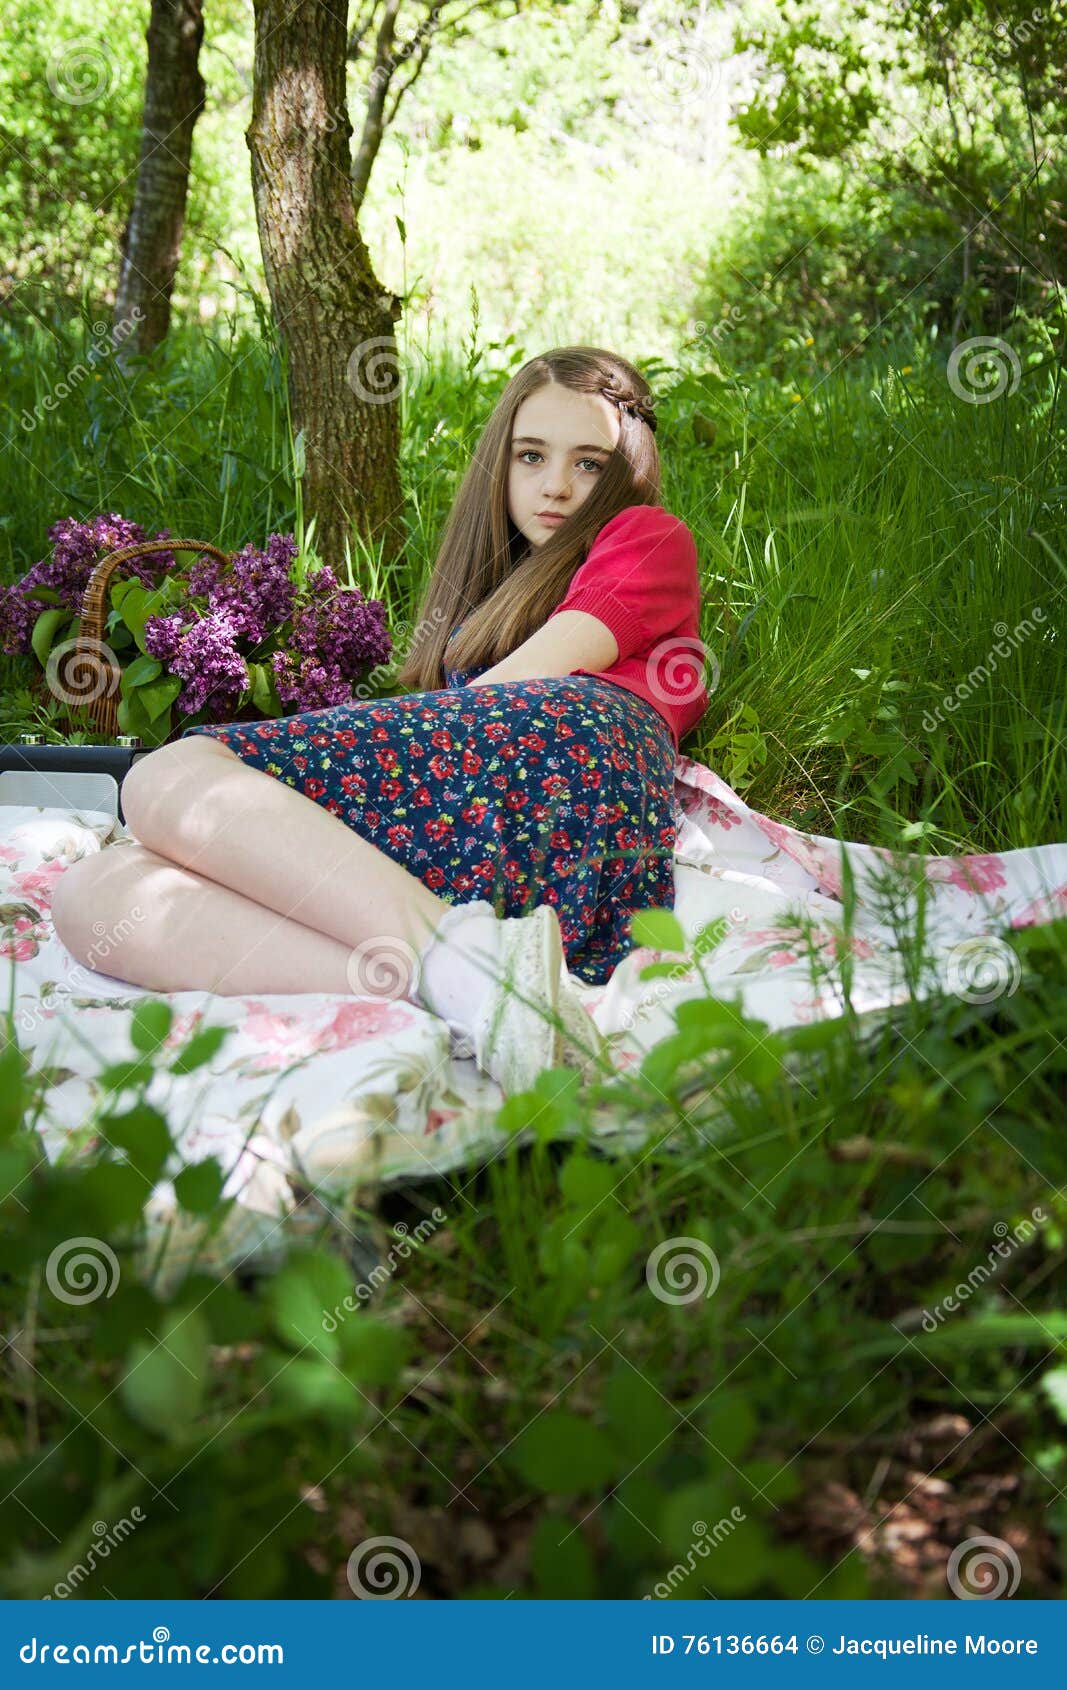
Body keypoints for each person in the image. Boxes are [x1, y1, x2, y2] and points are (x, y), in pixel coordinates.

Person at [51, 346, 710, 1094]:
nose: (556, 484)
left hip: (572, 755)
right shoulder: (487, 601)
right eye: (530, 456)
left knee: (166, 775)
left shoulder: (646, 536)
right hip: (511, 819)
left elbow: (522, 690)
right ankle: (469, 991)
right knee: (98, 896)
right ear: (500, 464)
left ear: (626, 469)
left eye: (588, 463)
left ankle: (457, 963)